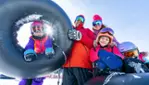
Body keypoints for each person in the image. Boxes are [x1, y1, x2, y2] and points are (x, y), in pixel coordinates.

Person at [19, 20, 55, 85]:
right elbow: (29, 46)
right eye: (35, 29)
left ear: (44, 30)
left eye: (39, 29)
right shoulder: (32, 39)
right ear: (32, 32)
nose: (37, 31)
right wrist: (29, 52)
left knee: (38, 79)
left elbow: (48, 45)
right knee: (25, 79)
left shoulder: (47, 38)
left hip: (43, 62)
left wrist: (49, 50)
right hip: (34, 60)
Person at [62, 15, 94, 85]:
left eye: (82, 20)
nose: (79, 20)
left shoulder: (87, 31)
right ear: (74, 21)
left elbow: (93, 44)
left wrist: (81, 37)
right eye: (78, 19)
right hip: (67, 65)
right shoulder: (68, 30)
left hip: (82, 64)